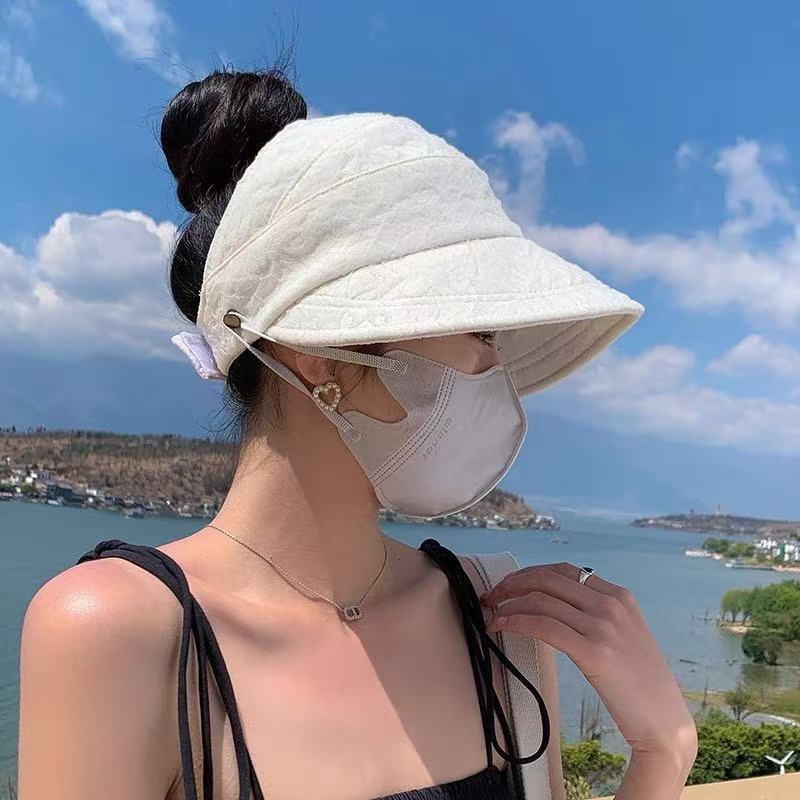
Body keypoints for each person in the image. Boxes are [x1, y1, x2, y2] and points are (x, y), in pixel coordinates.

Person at [17, 63, 697, 800]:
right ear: (320, 353)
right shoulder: (118, 632)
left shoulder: (498, 618)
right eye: (480, 331)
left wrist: (662, 751)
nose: (494, 369)